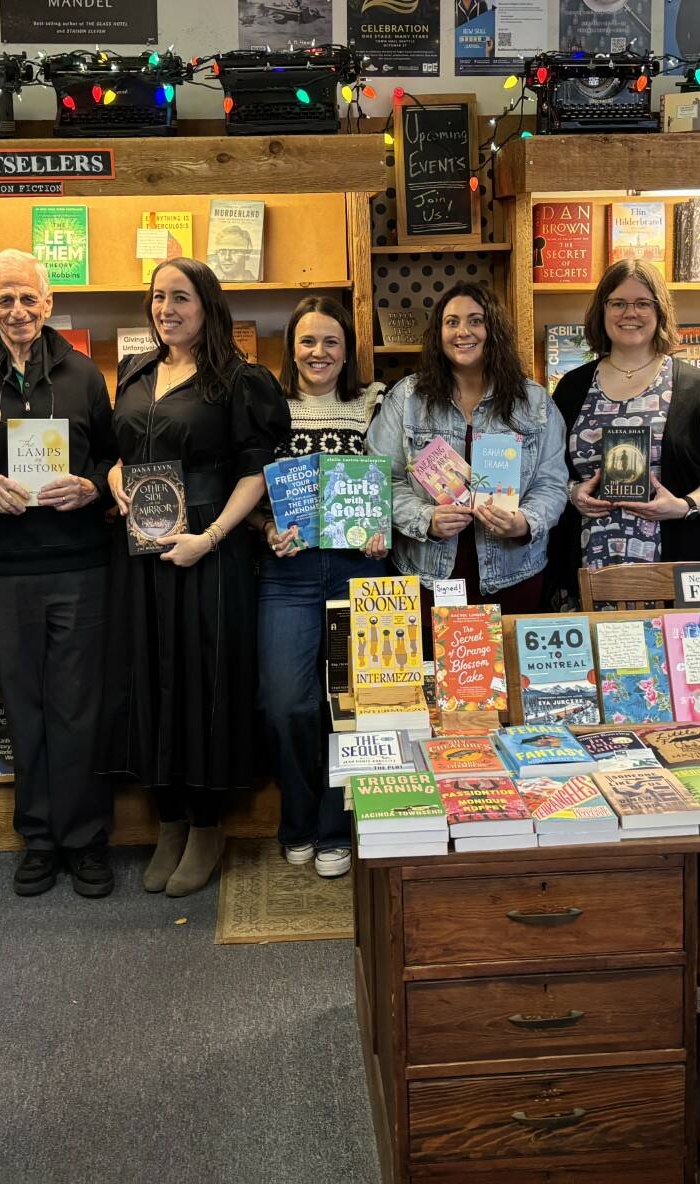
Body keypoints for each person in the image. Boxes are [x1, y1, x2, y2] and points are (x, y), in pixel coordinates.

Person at [0, 249, 117, 901]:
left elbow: (115, 461)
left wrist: (91, 487)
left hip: (78, 565)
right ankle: (38, 839)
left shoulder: (87, 376)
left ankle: (87, 841)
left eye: (27, 298)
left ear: (49, 302)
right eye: (3, 299)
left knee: (78, 707)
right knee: (25, 707)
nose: (17, 311)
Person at [105, 258, 288, 899]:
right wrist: (115, 483)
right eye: (157, 298)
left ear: (207, 305)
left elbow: (258, 470)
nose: (166, 309)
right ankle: (171, 822)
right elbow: (117, 452)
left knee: (204, 679)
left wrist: (208, 540)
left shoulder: (239, 380)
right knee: (151, 675)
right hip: (141, 552)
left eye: (180, 297)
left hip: (209, 548)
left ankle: (208, 826)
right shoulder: (134, 371)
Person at [256, 296, 388, 880]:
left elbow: (399, 475)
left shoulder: (375, 402)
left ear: (347, 350)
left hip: (359, 570)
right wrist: (265, 528)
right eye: (307, 341)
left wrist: (382, 529)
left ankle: (337, 827)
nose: (319, 352)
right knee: (287, 702)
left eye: (331, 341)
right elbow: (252, 488)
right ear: (291, 349)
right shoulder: (268, 406)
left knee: (351, 706)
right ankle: (298, 817)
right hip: (288, 573)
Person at [371, 283, 568, 618]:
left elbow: (552, 483)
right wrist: (426, 519)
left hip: (514, 576)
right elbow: (381, 480)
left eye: (476, 320)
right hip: (427, 579)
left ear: (493, 330)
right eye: (452, 322)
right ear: (438, 333)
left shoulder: (533, 402)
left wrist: (524, 523)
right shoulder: (407, 398)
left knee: (506, 669)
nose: (463, 332)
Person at [550, 262, 700, 594]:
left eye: (643, 303)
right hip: (588, 563)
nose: (631, 313)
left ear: (659, 310)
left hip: (677, 566)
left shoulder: (698, 387)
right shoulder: (572, 387)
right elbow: (549, 469)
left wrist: (685, 506)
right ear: (602, 309)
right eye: (618, 303)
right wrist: (573, 493)